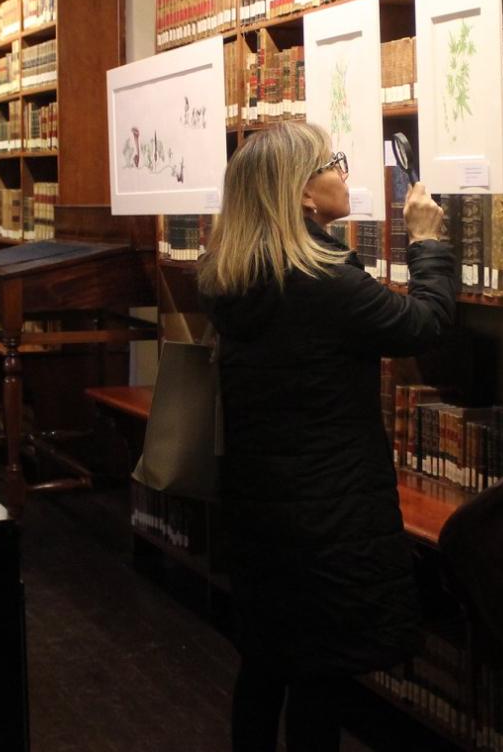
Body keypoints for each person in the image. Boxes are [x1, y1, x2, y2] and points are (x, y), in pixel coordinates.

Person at [198, 122, 457, 752]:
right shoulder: (323, 281)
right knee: (320, 679)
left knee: (264, 665)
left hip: (260, 511)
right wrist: (426, 243)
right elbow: (424, 323)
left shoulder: (234, 274)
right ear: (303, 196)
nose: (345, 172)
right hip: (325, 515)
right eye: (332, 163)